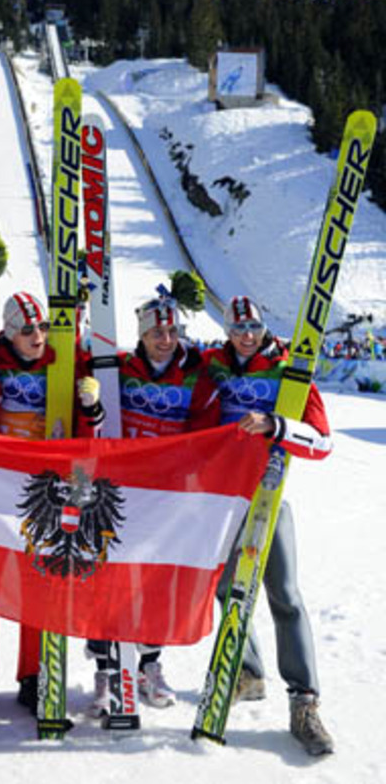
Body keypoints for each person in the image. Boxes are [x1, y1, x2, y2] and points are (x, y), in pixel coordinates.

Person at [0, 291, 104, 719]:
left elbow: (86, 428)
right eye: (28, 329)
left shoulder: (63, 360)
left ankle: (30, 675)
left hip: (43, 487)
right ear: (8, 332)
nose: (38, 335)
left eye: (43, 327)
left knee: (36, 581)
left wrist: (91, 406)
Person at [204, 295, 334, 756]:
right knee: (224, 587)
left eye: (254, 326)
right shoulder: (213, 365)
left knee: (285, 595)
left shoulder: (287, 370)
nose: (246, 335)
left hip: (267, 496)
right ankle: (249, 672)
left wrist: (278, 426)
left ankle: (305, 700)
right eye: (238, 327)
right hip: (223, 497)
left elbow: (323, 443)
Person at [86, 290, 219, 716]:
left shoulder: (194, 376)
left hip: (165, 494)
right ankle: (107, 670)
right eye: (156, 332)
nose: (166, 339)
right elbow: (97, 419)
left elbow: (205, 432)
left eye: (172, 331)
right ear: (142, 335)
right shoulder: (120, 369)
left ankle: (148, 665)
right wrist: (89, 405)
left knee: (154, 582)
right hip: (119, 489)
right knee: (109, 581)